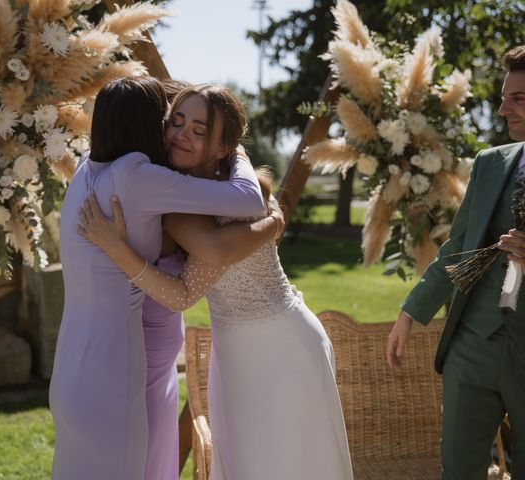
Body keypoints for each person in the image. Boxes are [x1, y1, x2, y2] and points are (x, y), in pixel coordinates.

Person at [78, 84, 354, 480]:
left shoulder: (222, 196)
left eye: (199, 130)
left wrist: (118, 250)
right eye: (177, 122)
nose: (181, 135)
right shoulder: (181, 192)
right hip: (236, 349)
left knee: (293, 465)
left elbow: (191, 283)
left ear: (222, 147)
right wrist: (273, 220)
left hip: (282, 347)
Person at [49, 76, 276, 479]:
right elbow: (246, 198)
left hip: (69, 365)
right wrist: (236, 152)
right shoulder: (135, 173)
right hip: (113, 367)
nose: (170, 128)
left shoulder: (86, 169)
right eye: (168, 118)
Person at [386, 46, 525, 479]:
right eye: (504, 96)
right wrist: (412, 311)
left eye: (518, 98)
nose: (503, 108)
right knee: (459, 469)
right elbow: (459, 247)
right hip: (473, 343)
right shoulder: (490, 164)